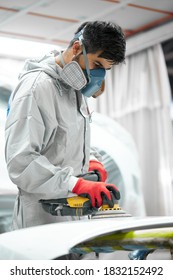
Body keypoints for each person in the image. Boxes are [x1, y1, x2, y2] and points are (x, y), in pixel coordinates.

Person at [5, 21, 126, 230]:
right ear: (77, 48)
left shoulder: (75, 91)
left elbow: (68, 140)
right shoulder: (37, 88)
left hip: (73, 211)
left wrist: (91, 161)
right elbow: (21, 162)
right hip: (42, 219)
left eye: (105, 70)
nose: (98, 76)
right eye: (97, 65)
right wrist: (77, 184)